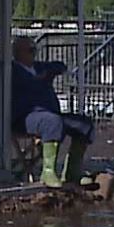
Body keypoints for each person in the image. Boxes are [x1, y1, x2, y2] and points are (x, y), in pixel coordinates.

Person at [10, 35, 94, 188]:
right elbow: (26, 83)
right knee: (52, 122)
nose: (34, 53)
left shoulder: (39, 67)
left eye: (35, 49)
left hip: (49, 112)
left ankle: (72, 172)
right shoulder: (13, 70)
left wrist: (48, 73)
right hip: (25, 116)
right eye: (30, 50)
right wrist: (39, 79)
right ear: (19, 52)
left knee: (84, 124)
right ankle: (48, 171)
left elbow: (59, 65)